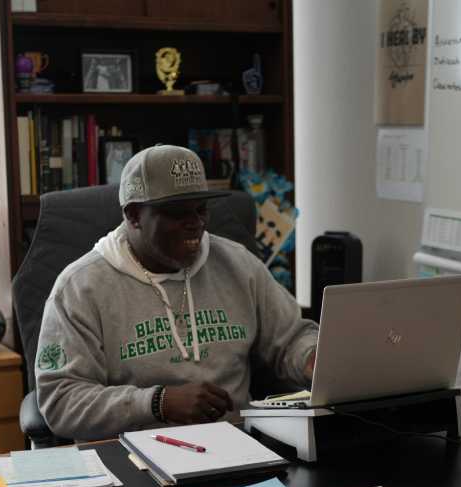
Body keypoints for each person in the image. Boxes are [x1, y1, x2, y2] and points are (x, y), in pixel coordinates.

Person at [35, 144, 318, 441]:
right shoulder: (80, 288)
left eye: (200, 210)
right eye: (177, 213)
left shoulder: (239, 264)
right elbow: (62, 402)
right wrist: (157, 403)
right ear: (133, 215)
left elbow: (292, 337)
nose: (195, 224)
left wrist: (312, 359)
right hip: (132, 456)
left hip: (236, 445)